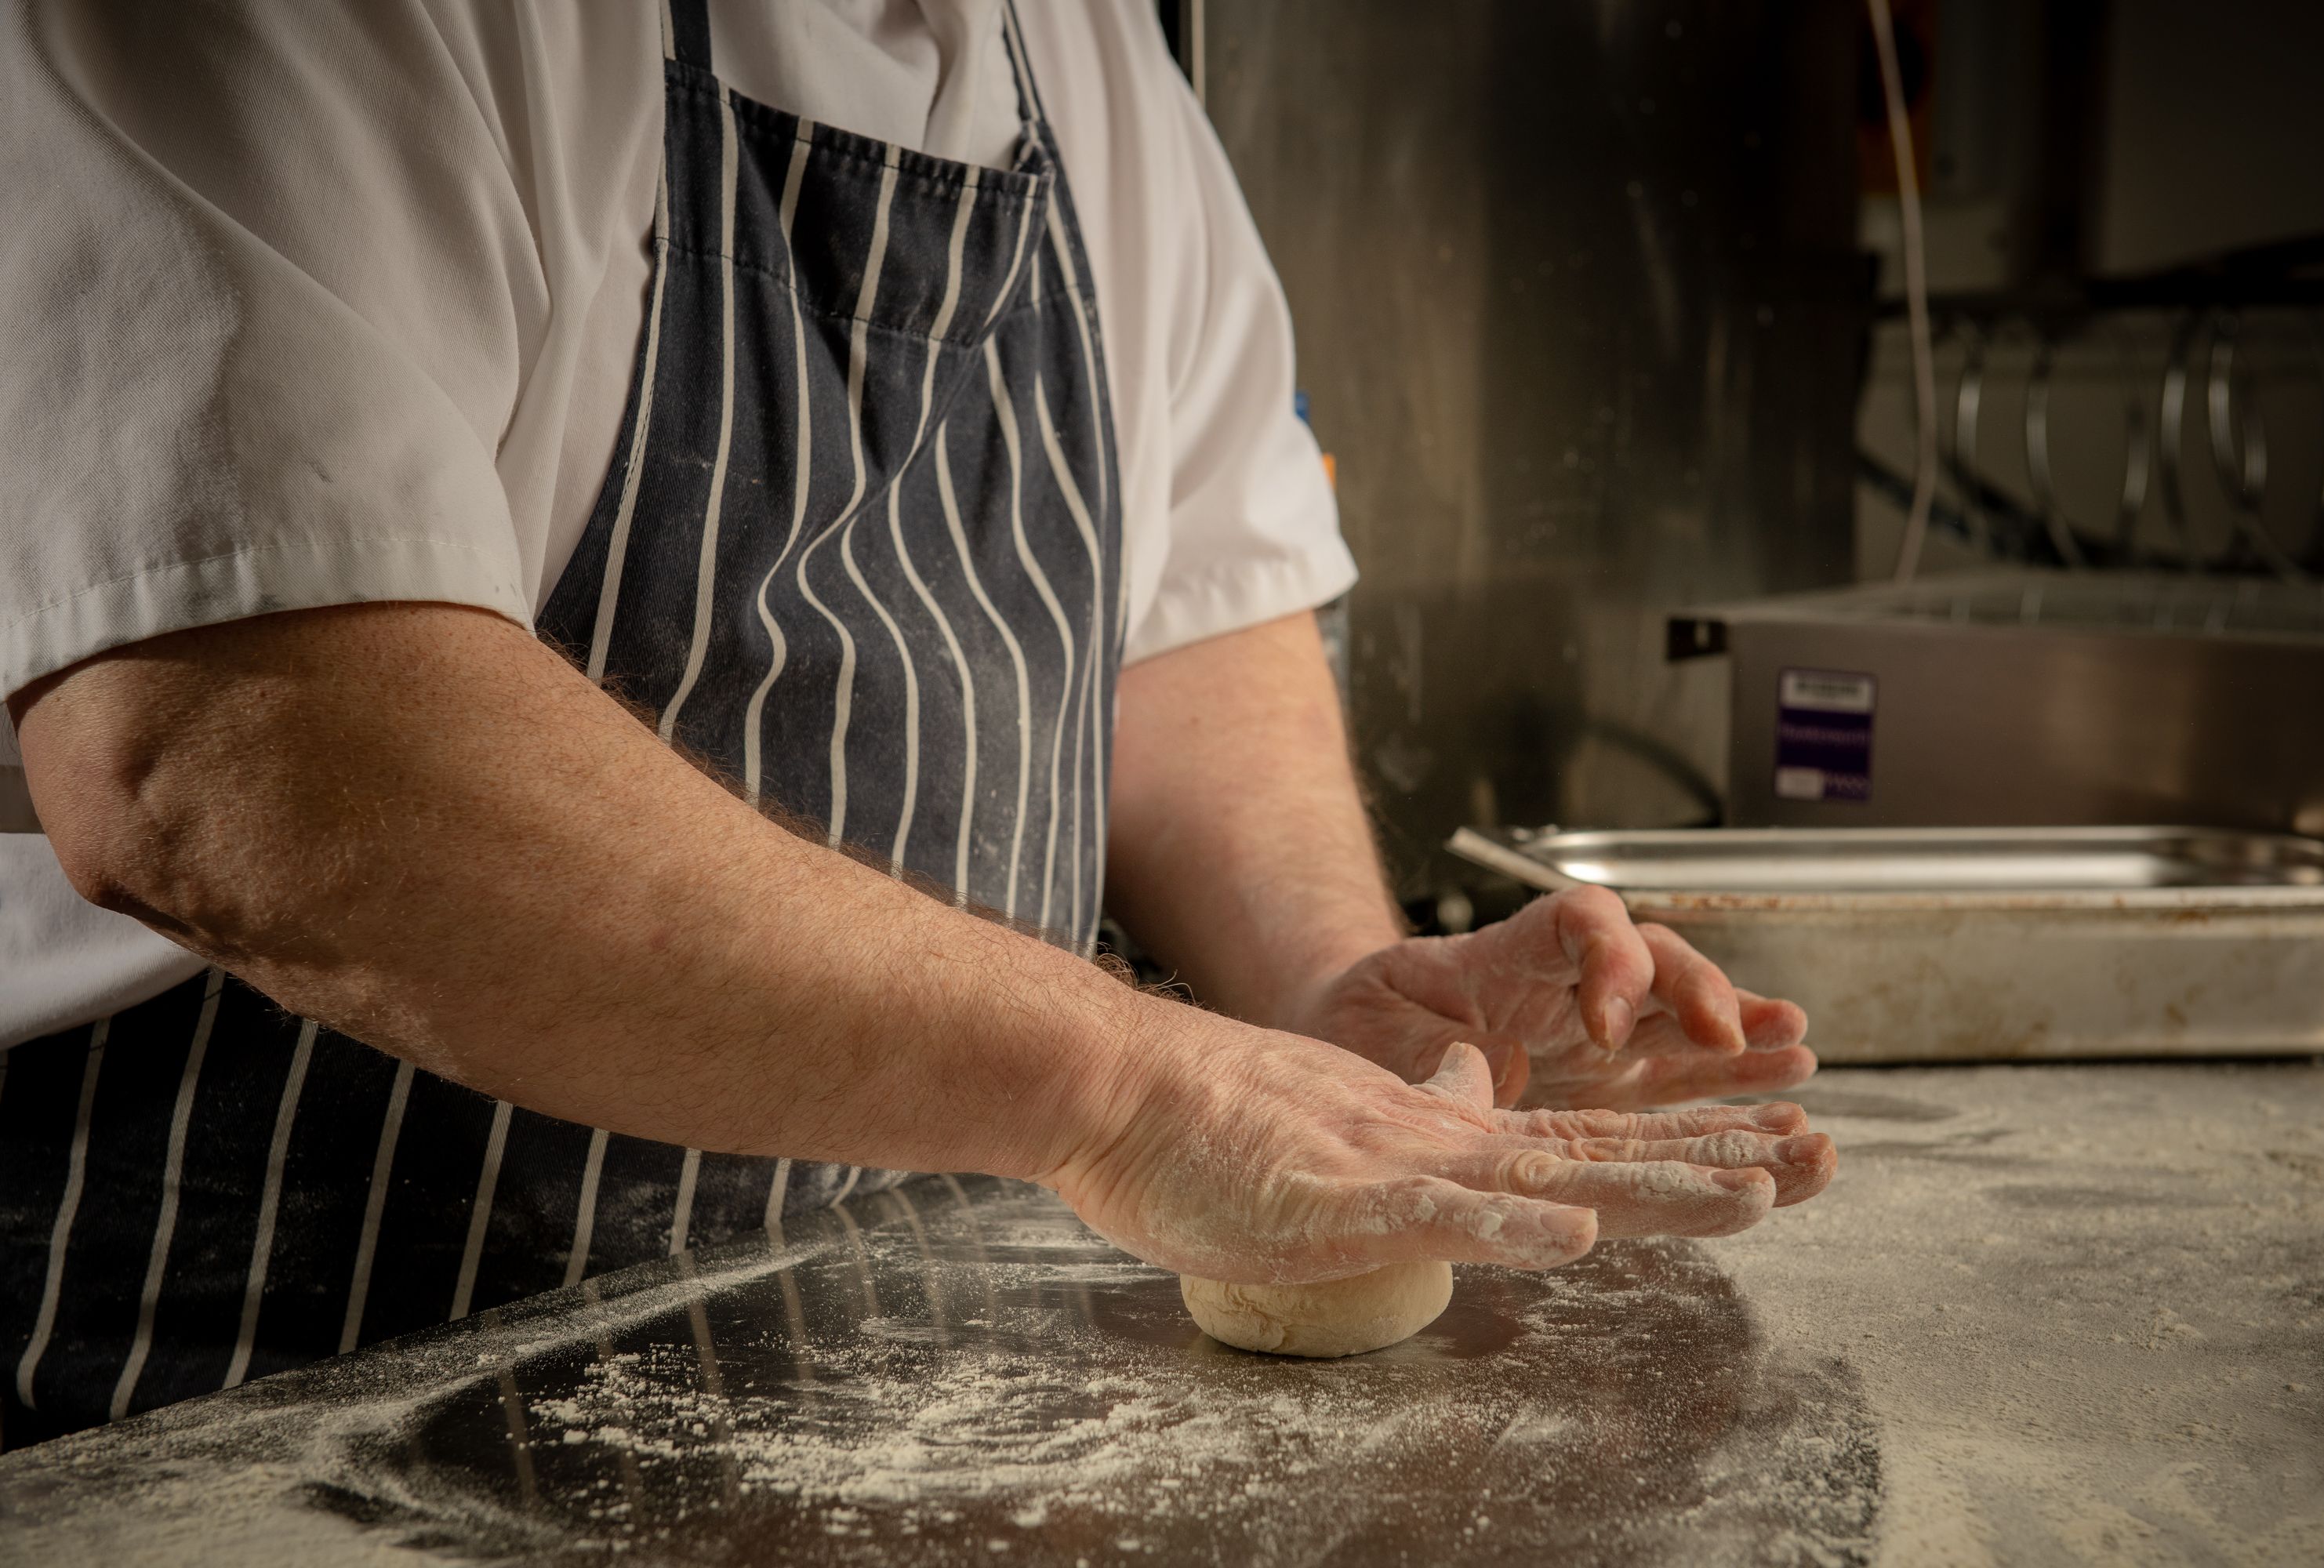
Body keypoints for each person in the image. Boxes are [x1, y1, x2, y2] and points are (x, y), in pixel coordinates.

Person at [0, 0, 1833, 1449]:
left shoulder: (1086, 52)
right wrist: (1125, 1085)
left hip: (903, 1408)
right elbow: (238, 743)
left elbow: (1182, 616)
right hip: (270, 1408)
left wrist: (1328, 998)